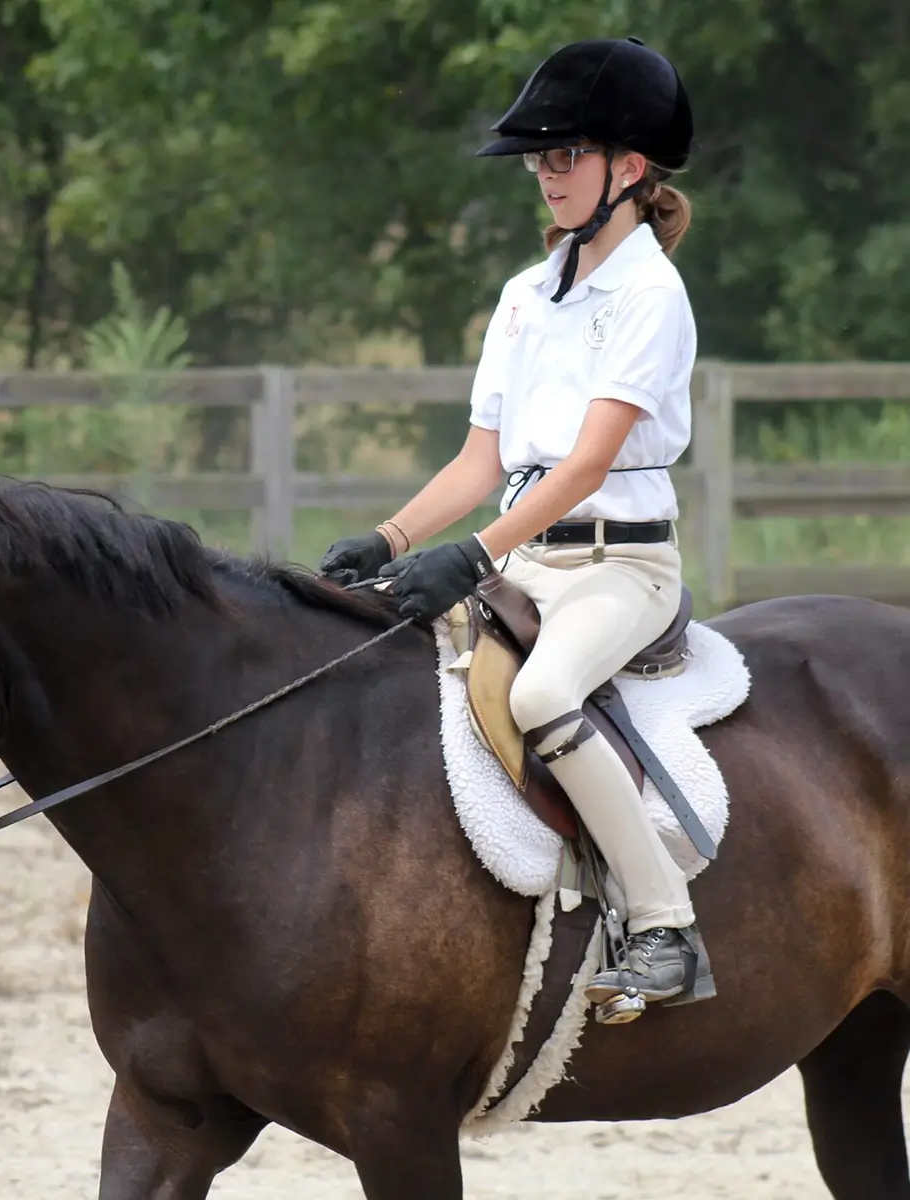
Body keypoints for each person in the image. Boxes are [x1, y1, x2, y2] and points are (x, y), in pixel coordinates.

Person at [319, 37, 707, 1009]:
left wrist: (474, 554)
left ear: (630, 167)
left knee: (542, 701)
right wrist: (391, 541)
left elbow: (585, 465)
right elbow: (480, 463)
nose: (545, 176)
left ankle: (666, 928)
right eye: (538, 160)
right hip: (527, 557)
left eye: (564, 156)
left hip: (622, 569)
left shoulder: (653, 294)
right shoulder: (524, 297)